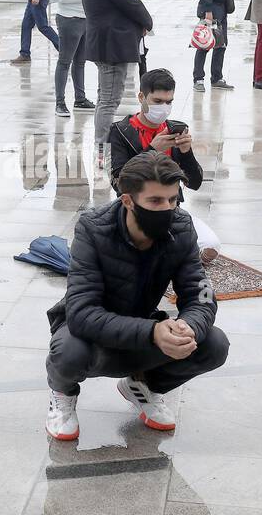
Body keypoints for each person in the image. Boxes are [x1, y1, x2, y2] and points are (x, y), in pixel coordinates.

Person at [44, 150, 229, 440]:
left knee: (214, 343)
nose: (167, 208)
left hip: (143, 327)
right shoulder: (92, 228)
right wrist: (152, 332)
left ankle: (144, 386)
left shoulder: (181, 228)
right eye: (155, 201)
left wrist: (187, 327)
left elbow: (201, 295)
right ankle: (62, 394)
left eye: (172, 199)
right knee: (68, 352)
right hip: (91, 335)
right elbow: (81, 313)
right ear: (128, 200)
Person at [108, 68, 220, 262]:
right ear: (141, 97)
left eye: (169, 102)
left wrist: (186, 153)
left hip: (170, 210)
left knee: (212, 246)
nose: (164, 107)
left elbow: (195, 183)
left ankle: (170, 256)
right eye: (158, 101)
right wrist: (152, 150)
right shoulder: (121, 131)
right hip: (135, 211)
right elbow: (119, 183)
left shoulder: (175, 129)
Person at [83, 0, 154, 165]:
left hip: (103, 45)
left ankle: (100, 148)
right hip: (111, 48)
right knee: (109, 101)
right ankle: (102, 152)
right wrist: (147, 22)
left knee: (104, 98)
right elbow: (132, 4)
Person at [48, 0, 96, 117]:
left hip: (85, 19)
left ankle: (80, 98)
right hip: (68, 19)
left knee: (80, 62)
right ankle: (60, 102)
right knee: (64, 61)